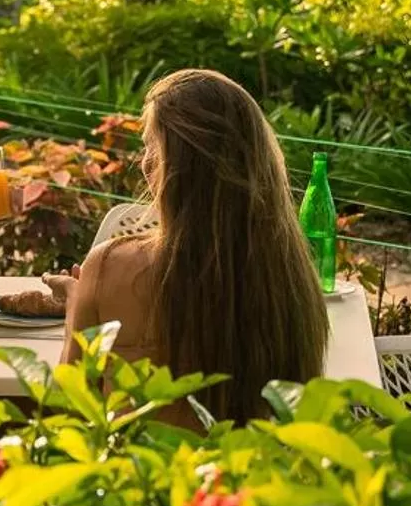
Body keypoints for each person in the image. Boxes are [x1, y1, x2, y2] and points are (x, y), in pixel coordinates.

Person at [61, 68, 328, 424]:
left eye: (150, 146)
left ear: (168, 164)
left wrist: (76, 304)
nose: (144, 164)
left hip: (147, 477)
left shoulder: (109, 266)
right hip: (256, 475)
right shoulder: (290, 278)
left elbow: (73, 402)